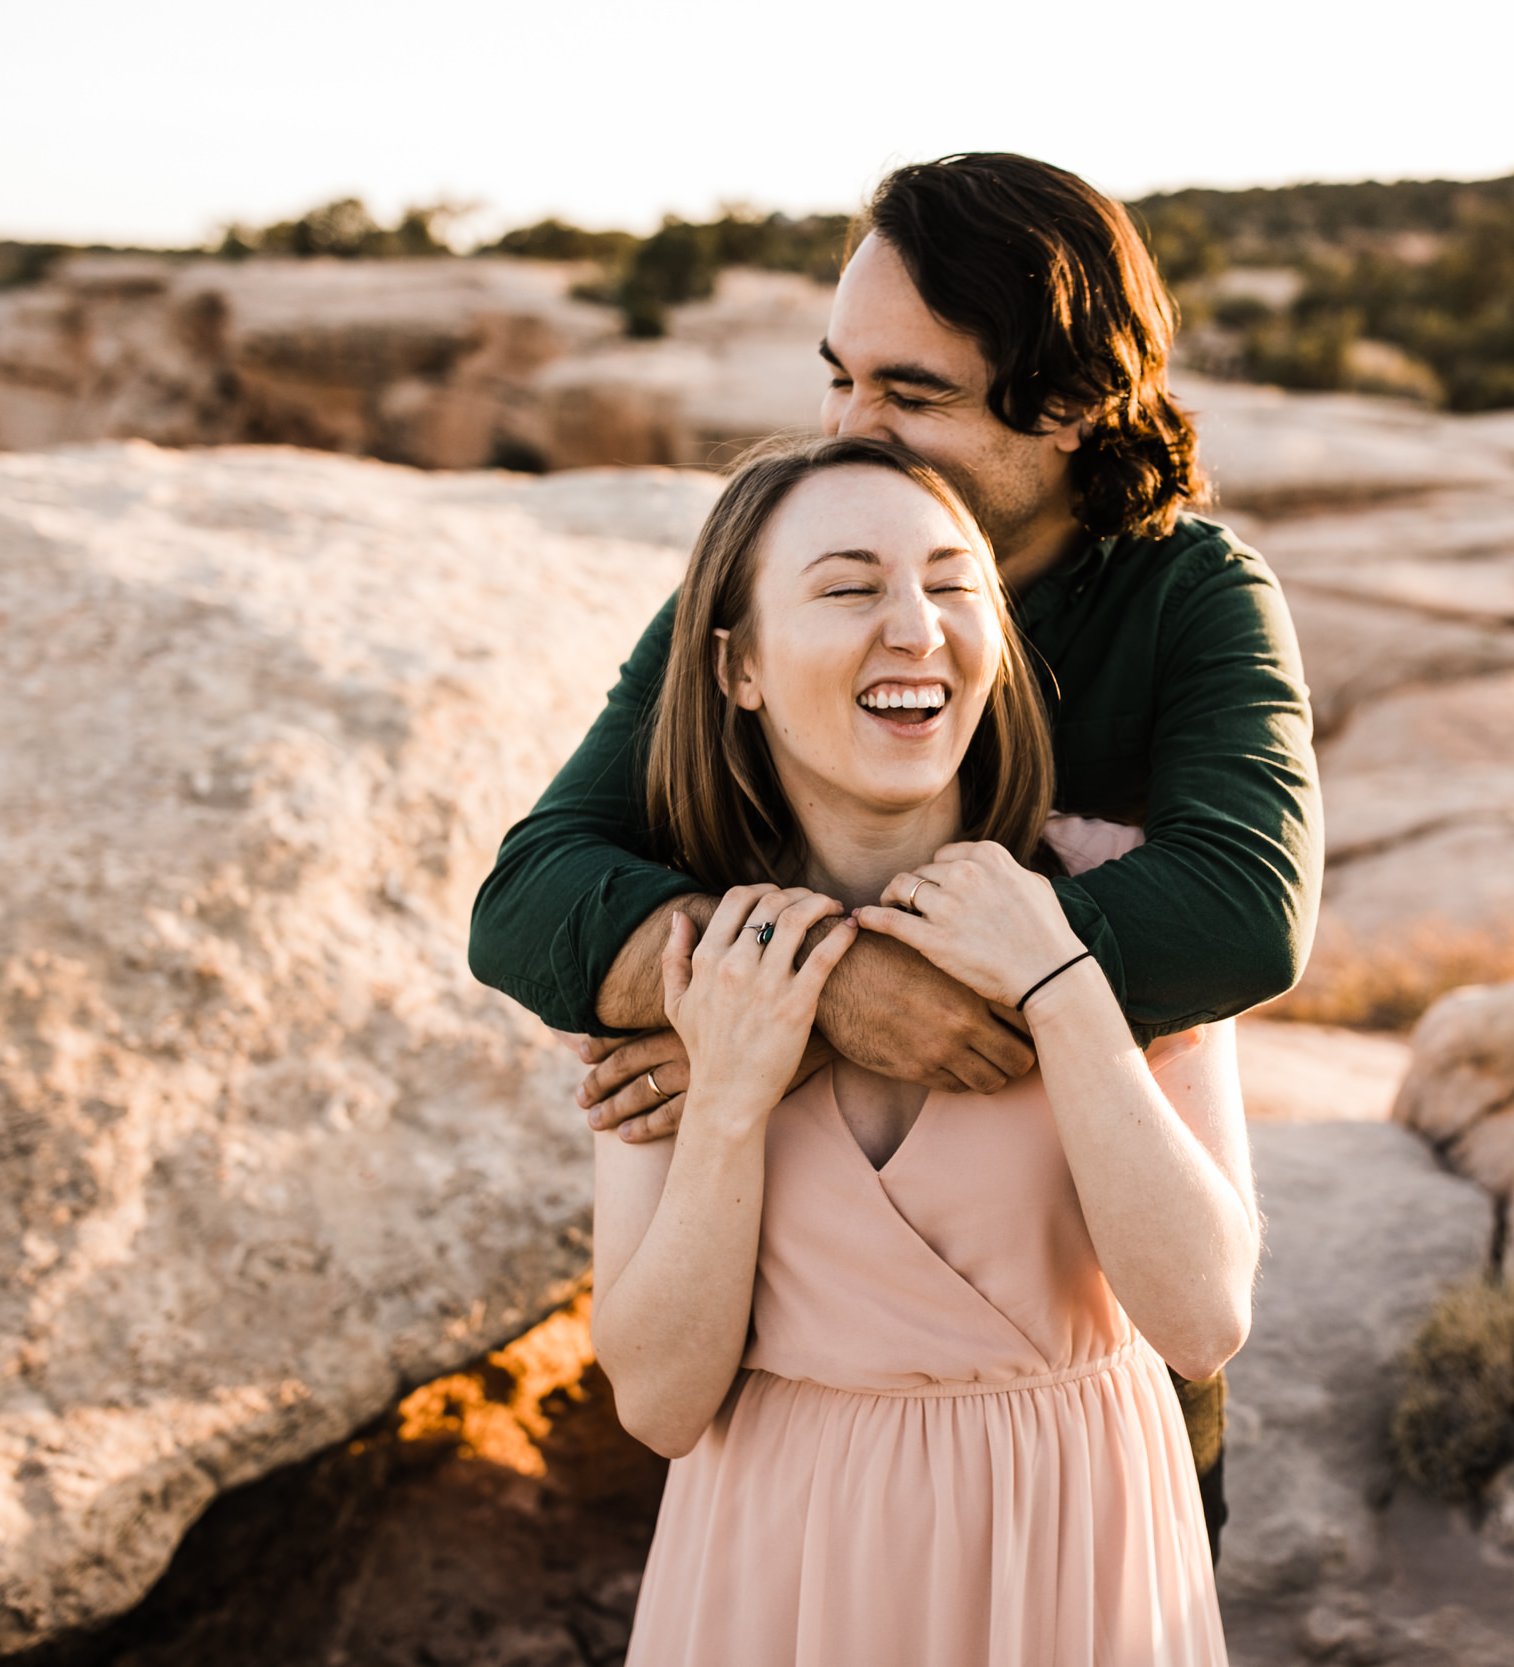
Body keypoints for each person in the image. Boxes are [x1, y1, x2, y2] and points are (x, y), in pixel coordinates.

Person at [468, 151, 1322, 1553]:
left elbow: (1239, 916)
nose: (852, 429)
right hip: (806, 1432)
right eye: (839, 376)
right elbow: (531, 899)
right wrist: (837, 996)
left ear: (1066, 405)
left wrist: (776, 1031)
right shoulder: (764, 573)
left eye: (909, 393)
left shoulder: (1193, 594)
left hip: (1102, 1402)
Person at [592, 435, 1256, 1664]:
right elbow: (661, 1403)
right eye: (849, 587)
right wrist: (734, 1094)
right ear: (736, 665)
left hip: (1076, 1552)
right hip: (782, 1566)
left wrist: (1061, 985)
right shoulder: (680, 954)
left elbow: (1204, 1318)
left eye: (955, 584)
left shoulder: (1123, 891)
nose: (914, 626)